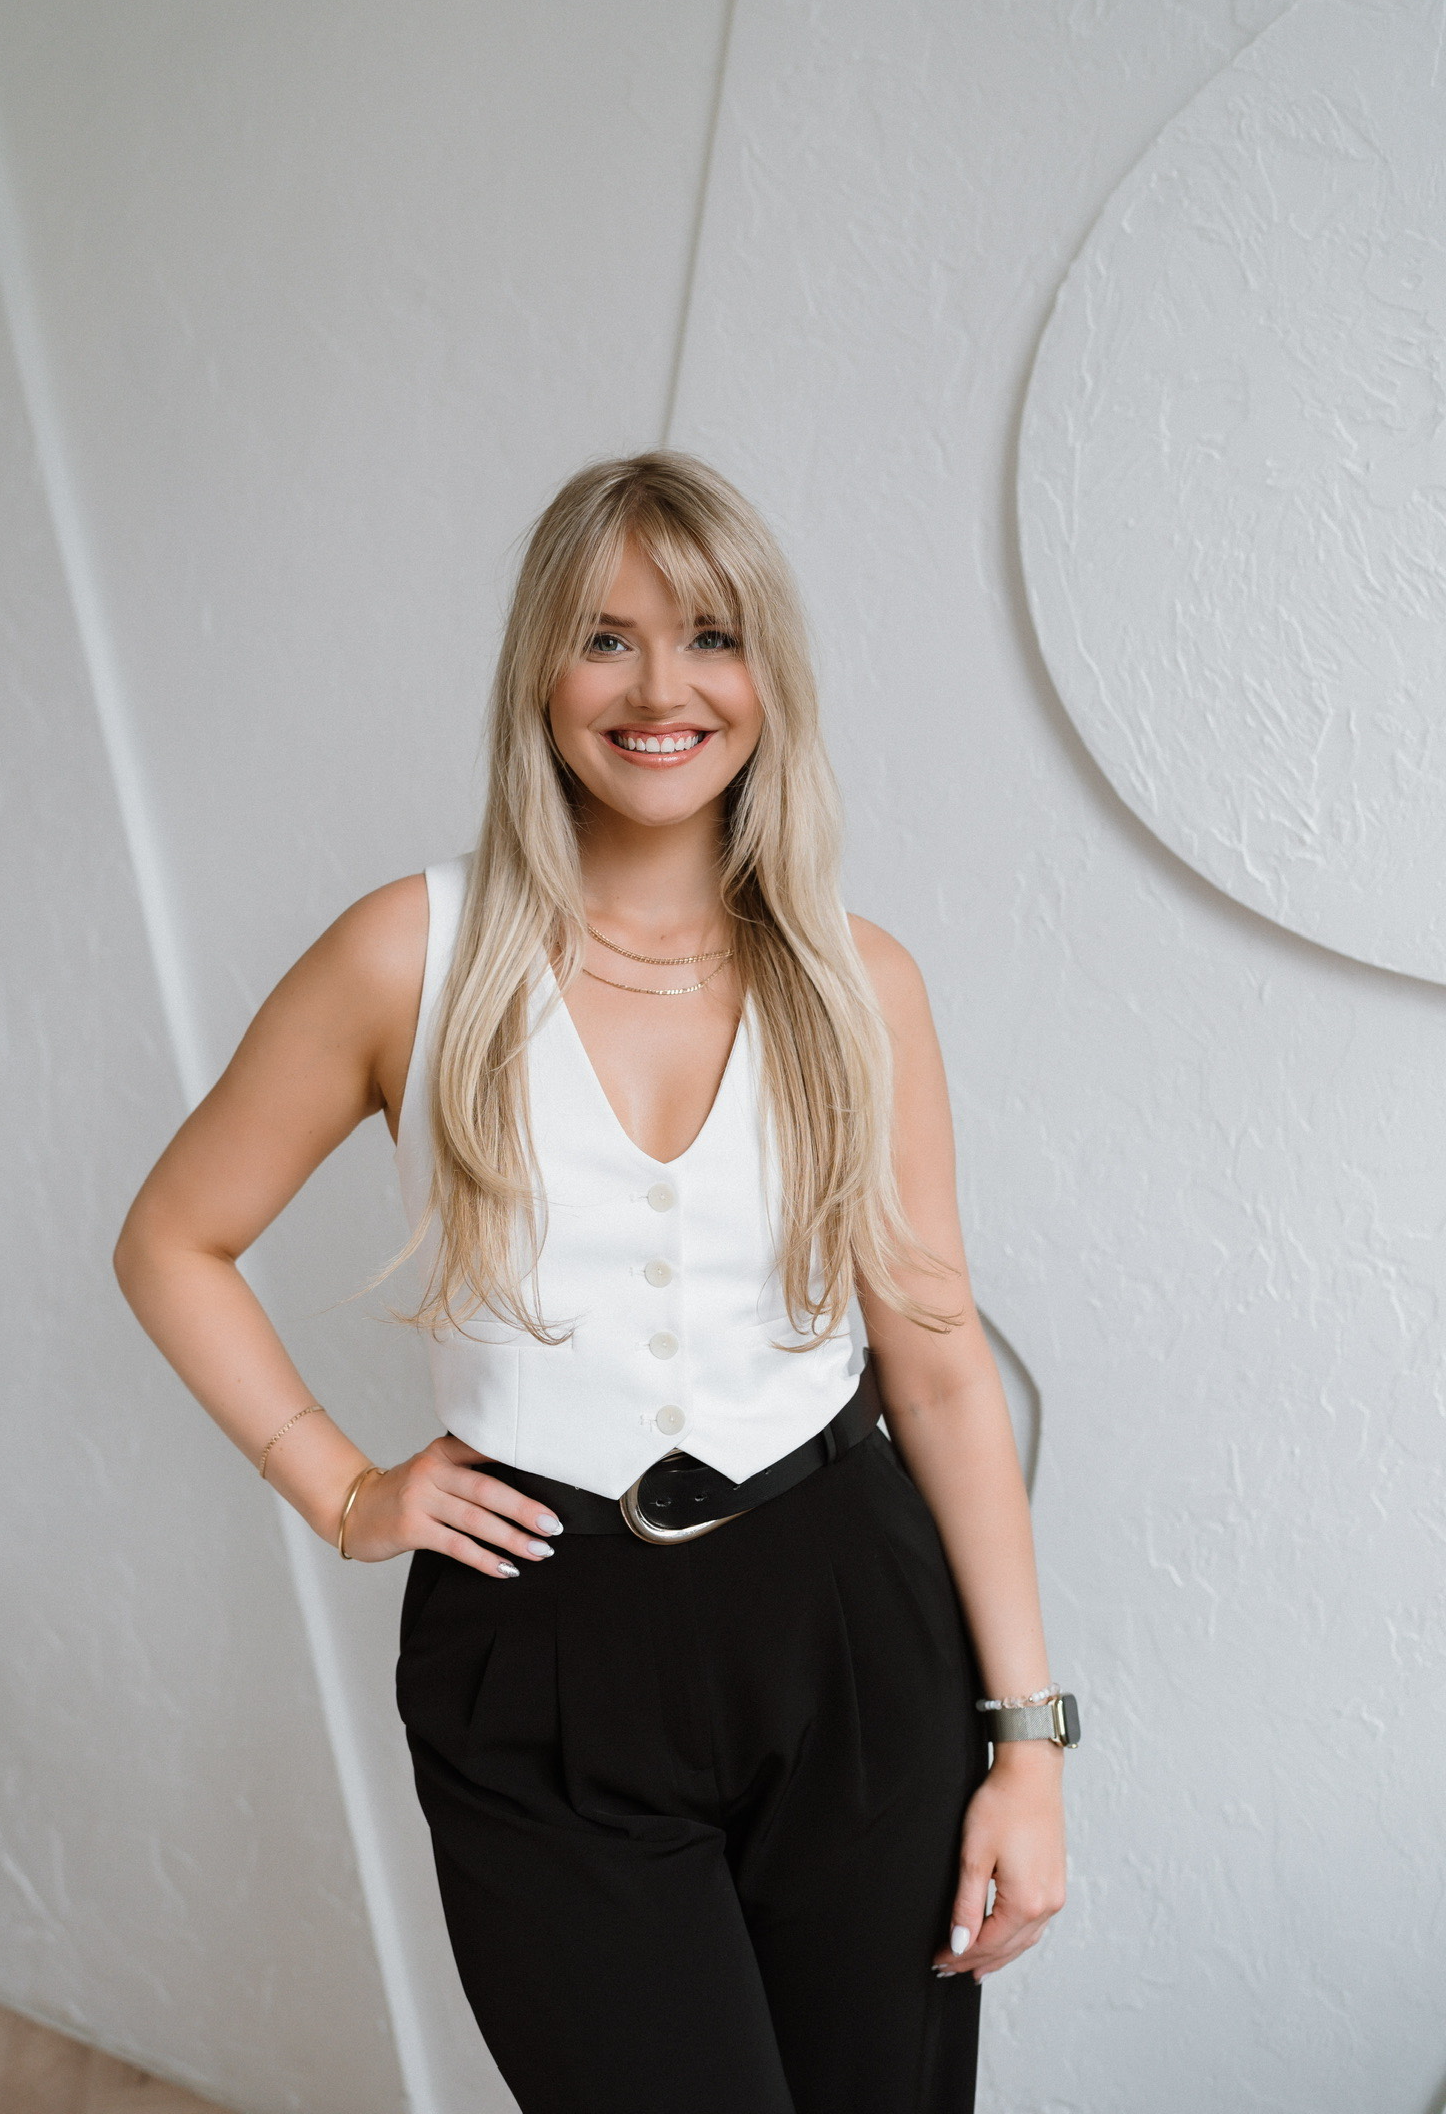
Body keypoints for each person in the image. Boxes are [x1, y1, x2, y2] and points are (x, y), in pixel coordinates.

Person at [114, 451, 1073, 2114]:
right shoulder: (408, 954)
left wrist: (1028, 1746)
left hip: (852, 1623)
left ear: (767, 675)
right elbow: (170, 1241)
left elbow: (934, 1372)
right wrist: (341, 1490)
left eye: (710, 637)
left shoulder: (860, 979)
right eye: (605, 638)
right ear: (538, 674)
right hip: (538, 1636)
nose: (660, 691)